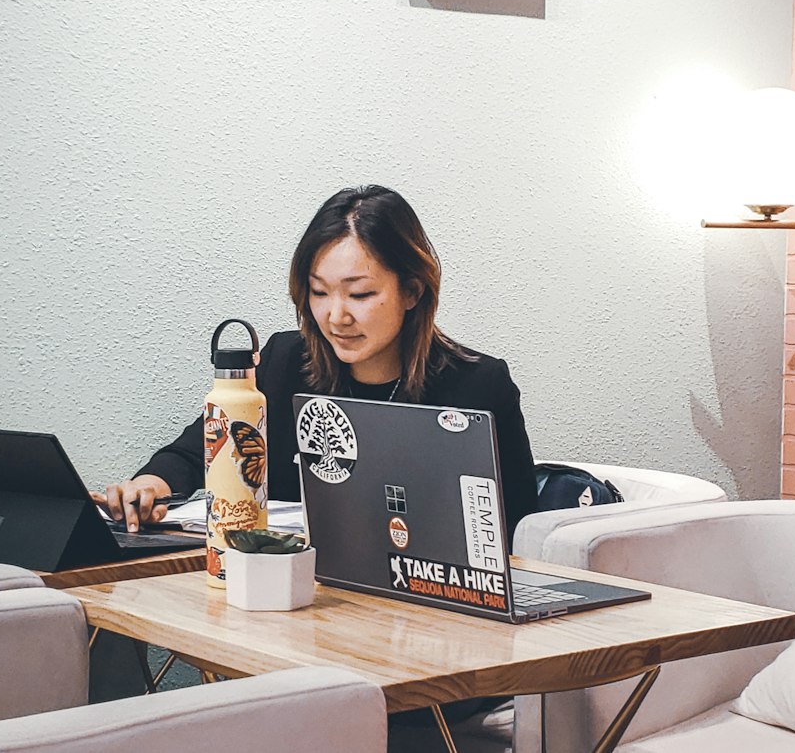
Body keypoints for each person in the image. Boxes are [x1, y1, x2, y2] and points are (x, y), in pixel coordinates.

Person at [97, 185, 537, 541]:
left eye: (360, 294)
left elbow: (519, 533)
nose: (336, 316)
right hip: (293, 598)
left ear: (412, 291)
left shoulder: (479, 385)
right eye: (319, 292)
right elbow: (197, 454)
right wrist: (150, 485)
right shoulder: (284, 362)